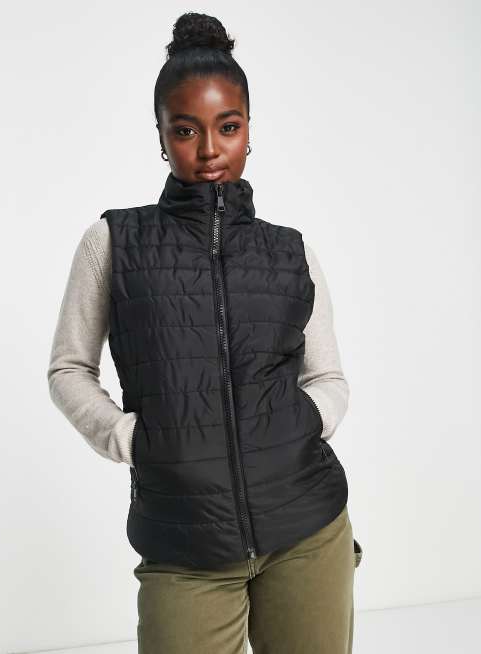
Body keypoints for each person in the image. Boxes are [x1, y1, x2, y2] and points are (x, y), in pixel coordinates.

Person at [47, 11, 363, 654]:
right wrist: (130, 438)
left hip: (308, 528)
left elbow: (327, 376)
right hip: (184, 544)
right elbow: (68, 369)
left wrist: (304, 421)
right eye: (186, 129)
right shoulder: (114, 243)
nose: (210, 149)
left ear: (249, 131)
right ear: (162, 137)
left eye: (229, 126)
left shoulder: (290, 252)